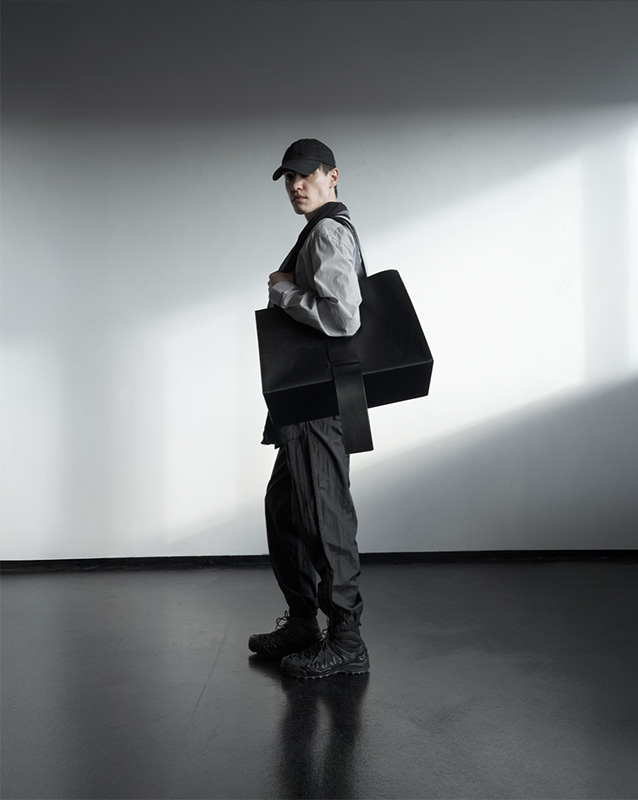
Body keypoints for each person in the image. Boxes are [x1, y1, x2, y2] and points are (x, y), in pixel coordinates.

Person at [249, 138, 370, 679]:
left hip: (318, 402)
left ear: (333, 176)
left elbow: (343, 318)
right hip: (304, 405)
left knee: (324, 518)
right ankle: (304, 622)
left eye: (305, 175)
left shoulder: (326, 232)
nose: (296, 186)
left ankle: (347, 640)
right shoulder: (316, 230)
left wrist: (283, 292)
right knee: (284, 511)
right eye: (288, 179)